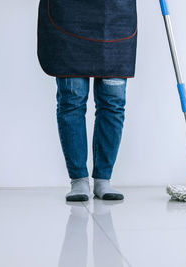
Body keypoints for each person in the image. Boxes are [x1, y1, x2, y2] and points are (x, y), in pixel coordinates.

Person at [37, 0, 138, 201]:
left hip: (115, 13)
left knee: (113, 102)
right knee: (72, 99)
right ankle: (79, 180)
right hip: (68, 12)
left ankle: (103, 179)